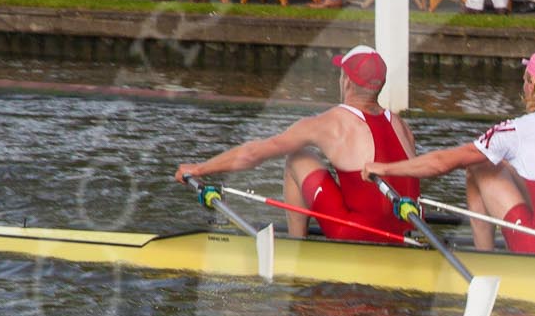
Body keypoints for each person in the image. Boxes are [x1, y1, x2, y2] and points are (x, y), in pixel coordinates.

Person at [364, 52, 535, 258]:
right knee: (499, 163)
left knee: (477, 166)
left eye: (525, 80)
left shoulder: (517, 129)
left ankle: (485, 259)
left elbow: (442, 163)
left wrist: (384, 169)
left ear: (532, 85)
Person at [176, 47, 417, 243]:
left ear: (347, 82)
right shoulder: (402, 126)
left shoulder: (330, 123)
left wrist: (199, 169)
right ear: (381, 84)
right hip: (407, 233)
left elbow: (254, 154)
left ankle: (297, 245)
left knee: (297, 157)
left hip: (357, 235)